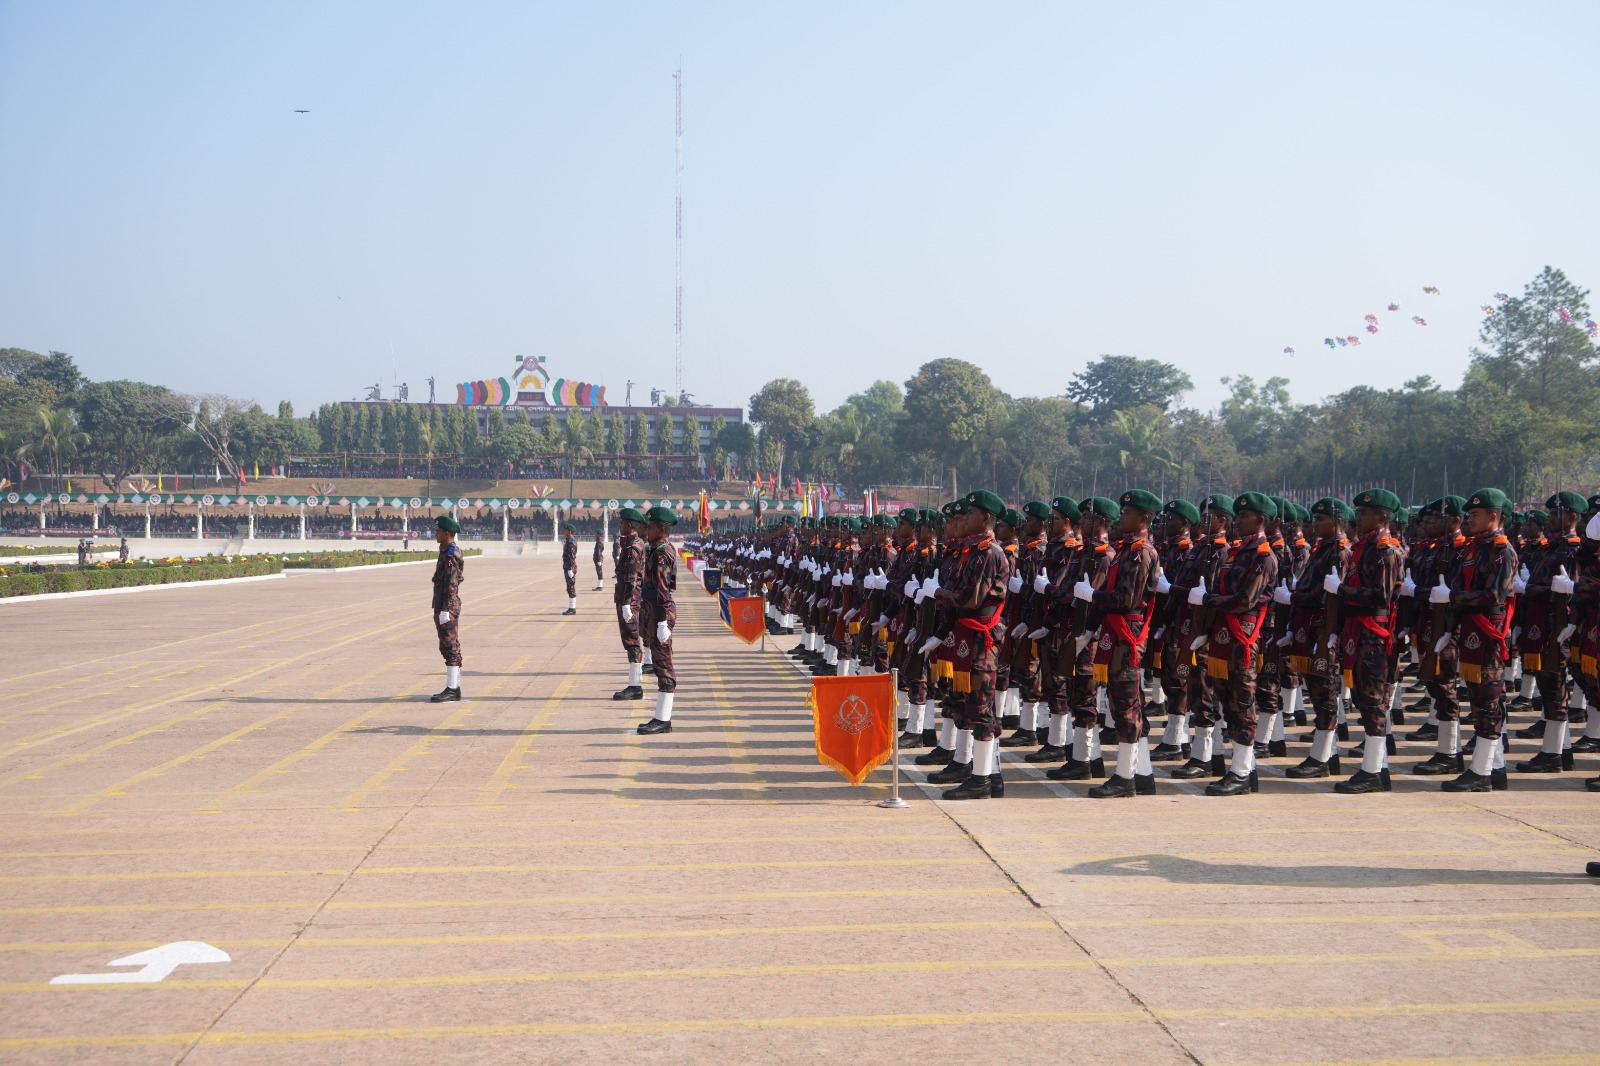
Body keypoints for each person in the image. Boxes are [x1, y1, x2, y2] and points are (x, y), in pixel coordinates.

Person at [928, 490, 1011, 800]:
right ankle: (979, 770)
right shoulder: (972, 551)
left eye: (970, 515)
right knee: (968, 702)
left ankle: (982, 779)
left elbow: (971, 598)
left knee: (982, 708)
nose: (963, 520)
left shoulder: (989, 553)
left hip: (981, 637)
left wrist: (937, 593)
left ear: (986, 518)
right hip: (967, 634)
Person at [1435, 488, 1519, 793]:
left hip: (1488, 633)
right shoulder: (1473, 549)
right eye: (1468, 514)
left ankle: (1481, 772)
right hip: (1472, 630)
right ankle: (1494, 769)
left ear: (1493, 517)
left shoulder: (1501, 550)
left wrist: (1453, 596)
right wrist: (1449, 625)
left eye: (1475, 514)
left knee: (1487, 702)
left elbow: (1493, 595)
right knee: (1479, 699)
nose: (1468, 519)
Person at [1195, 492, 1279, 796]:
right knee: (1228, 701)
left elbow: (1246, 600)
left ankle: (1242, 773)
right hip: (1223, 636)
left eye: (1244, 516)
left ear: (1261, 520)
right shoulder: (1236, 552)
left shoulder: (1264, 557)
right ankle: (1245, 769)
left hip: (1243, 637)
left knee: (1242, 703)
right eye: (1238, 515)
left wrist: (1208, 600)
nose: (1238, 520)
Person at [1326, 488, 1404, 794]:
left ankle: (1372, 772)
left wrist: (1341, 590)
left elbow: (1380, 596)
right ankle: (1377, 769)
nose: (1357, 518)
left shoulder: (1386, 551)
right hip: (1358, 632)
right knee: (1363, 699)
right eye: (1357, 512)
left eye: (1364, 513)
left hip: (1373, 635)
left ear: (1382, 517)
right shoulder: (1364, 548)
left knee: (1373, 703)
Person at [1085, 489, 1162, 798]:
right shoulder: (1126, 550)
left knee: (1126, 706)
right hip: (1115, 633)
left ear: (1143, 518)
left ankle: (1125, 777)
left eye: (1128, 513)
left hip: (1126, 635)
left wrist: (1092, 595)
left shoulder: (1141, 553)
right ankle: (1143, 774)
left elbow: (1126, 599)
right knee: (1126, 704)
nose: (1122, 516)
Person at [1513, 490, 1586, 772]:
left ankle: (1552, 754)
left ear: (1572, 517)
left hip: (1557, 626)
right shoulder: (1550, 547)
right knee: (1549, 688)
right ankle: (1562, 750)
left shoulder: (1573, 548)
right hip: (1540, 623)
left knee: (1554, 688)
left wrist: (1529, 588)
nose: (1551, 518)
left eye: (1557, 513)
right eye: (1551, 513)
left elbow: (1566, 592)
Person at [1285, 497, 1353, 778]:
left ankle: (1321, 758)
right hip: (1311, 629)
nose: (1315, 523)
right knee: (1317, 691)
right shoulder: (1322, 549)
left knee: (1325, 694)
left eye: (1321, 519)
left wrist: (1293, 596)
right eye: (1314, 518)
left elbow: (1326, 597)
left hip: (1325, 632)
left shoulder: (1340, 552)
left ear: (1338, 522)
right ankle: (1328, 754)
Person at [636, 506, 680, 735]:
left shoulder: (662, 552)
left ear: (662, 529)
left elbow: (663, 589)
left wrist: (663, 621)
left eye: (651, 527)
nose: (647, 530)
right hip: (654, 611)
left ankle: (663, 719)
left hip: (660, 612)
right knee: (659, 665)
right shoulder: (655, 549)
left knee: (664, 667)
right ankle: (661, 717)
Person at [612, 508, 647, 700]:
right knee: (630, 641)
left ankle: (635, 687)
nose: (620, 526)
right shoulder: (631, 543)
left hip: (629, 599)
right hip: (628, 597)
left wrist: (627, 603)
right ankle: (635, 684)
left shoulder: (634, 547)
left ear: (630, 525)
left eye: (622, 523)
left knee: (632, 641)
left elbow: (632, 576)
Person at [430, 514, 466, 702]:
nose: (436, 533)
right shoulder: (447, 551)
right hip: (443, 604)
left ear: (446, 533)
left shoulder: (451, 554)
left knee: (450, 646)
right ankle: (454, 687)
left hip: (448, 606)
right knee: (446, 645)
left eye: (438, 531)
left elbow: (452, 584)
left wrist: (445, 609)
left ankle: (453, 689)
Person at [561, 526, 578, 615]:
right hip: (568, 566)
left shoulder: (571, 542)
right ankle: (571, 607)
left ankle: (572, 608)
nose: (565, 531)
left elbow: (571, 556)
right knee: (569, 587)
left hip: (569, 567)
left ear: (570, 532)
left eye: (566, 530)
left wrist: (570, 568)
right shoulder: (568, 541)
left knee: (571, 587)